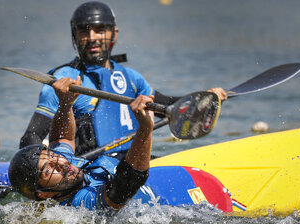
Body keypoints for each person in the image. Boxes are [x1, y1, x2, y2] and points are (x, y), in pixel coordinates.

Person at [19, 1, 228, 159]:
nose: (92, 37)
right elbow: (31, 138)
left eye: (100, 30)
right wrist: (46, 167)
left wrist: (207, 98)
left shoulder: (131, 78)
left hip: (132, 167)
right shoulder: (62, 81)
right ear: (74, 36)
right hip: (91, 173)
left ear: (114, 34)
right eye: (84, 31)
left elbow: (172, 106)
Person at [9, 77, 154, 210]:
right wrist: (145, 129)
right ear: (44, 195)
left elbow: (63, 138)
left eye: (51, 155)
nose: (59, 162)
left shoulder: (65, 167)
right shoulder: (81, 204)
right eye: (47, 171)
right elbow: (127, 185)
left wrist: (65, 103)